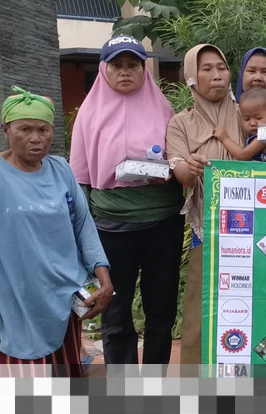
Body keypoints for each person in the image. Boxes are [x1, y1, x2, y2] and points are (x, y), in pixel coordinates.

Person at [69, 36, 185, 376]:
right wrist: (82, 234)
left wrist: (168, 172)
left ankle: (154, 383)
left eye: (133, 65)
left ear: (143, 69)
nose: (125, 72)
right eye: (117, 65)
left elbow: (179, 160)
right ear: (103, 69)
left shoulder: (163, 109)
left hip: (162, 221)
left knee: (161, 308)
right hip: (110, 224)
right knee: (115, 310)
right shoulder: (89, 114)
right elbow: (80, 180)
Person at [0, 86, 112, 377]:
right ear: (6, 130)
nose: (36, 138)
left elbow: (83, 225)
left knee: (63, 381)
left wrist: (103, 276)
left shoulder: (60, 169)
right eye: (25, 129)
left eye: (43, 129)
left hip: (63, 295)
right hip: (15, 299)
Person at [166, 44, 243, 370]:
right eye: (207, 69)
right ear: (192, 78)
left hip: (251, 224)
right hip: (207, 227)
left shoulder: (245, 114)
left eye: (221, 67)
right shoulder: (180, 123)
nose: (217, 75)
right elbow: (180, 172)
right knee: (202, 303)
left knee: (250, 303)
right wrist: (192, 167)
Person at [216, 87, 266, 161]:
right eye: (246, 119)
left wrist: (225, 139)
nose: (252, 123)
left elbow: (243, 155)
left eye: (258, 118)